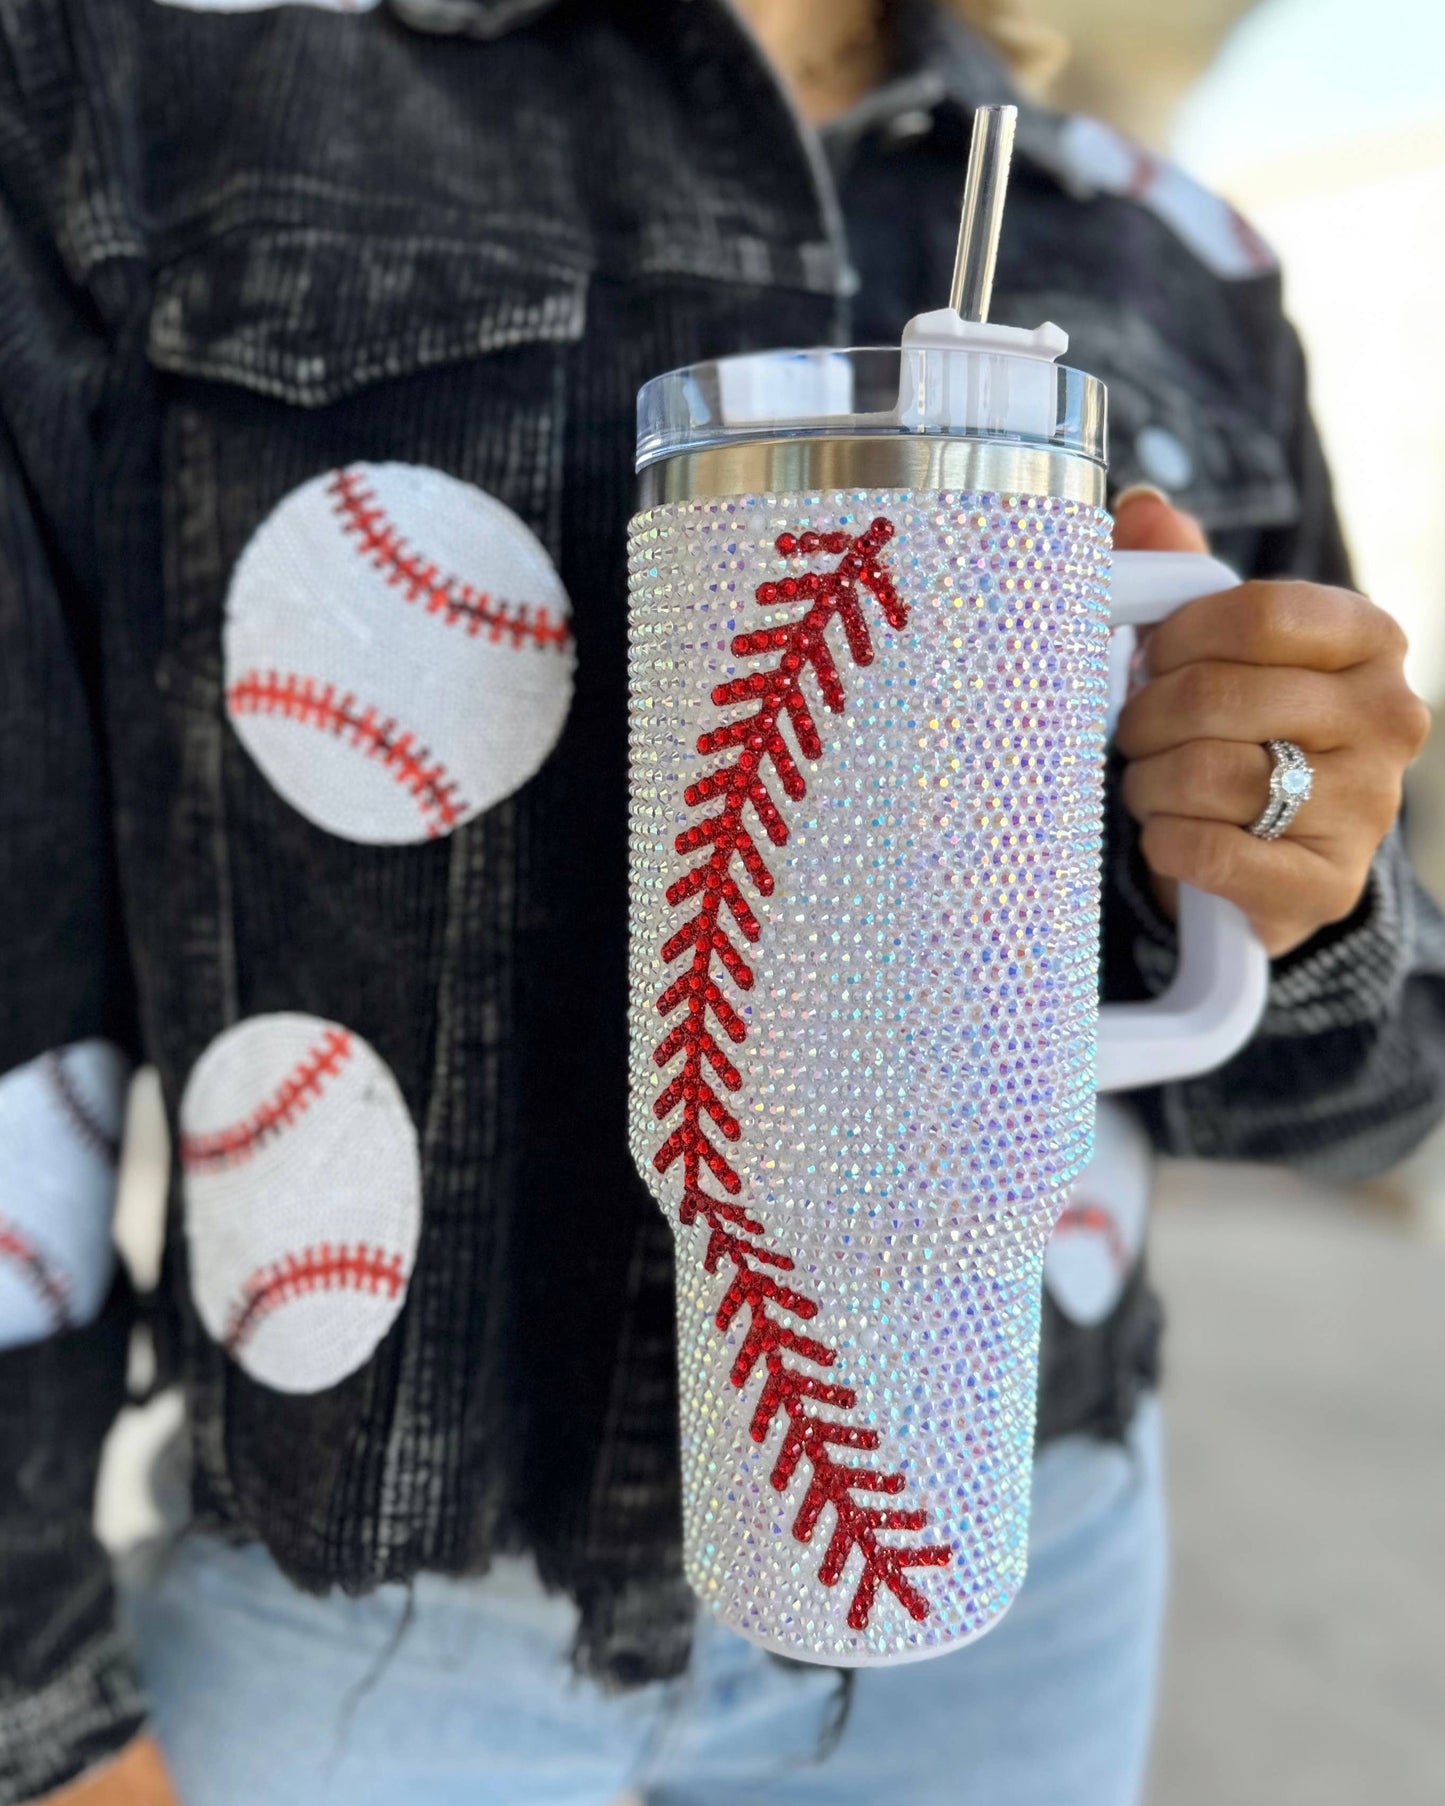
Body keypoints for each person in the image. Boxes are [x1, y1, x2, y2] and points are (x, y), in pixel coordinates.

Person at [0, 1, 1439, 1802]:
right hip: (364, 1632)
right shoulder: (150, 85)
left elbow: (1367, 1088)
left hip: (1012, 1553)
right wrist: (32, 1697)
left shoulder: (1164, 249)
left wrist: (1277, 875)